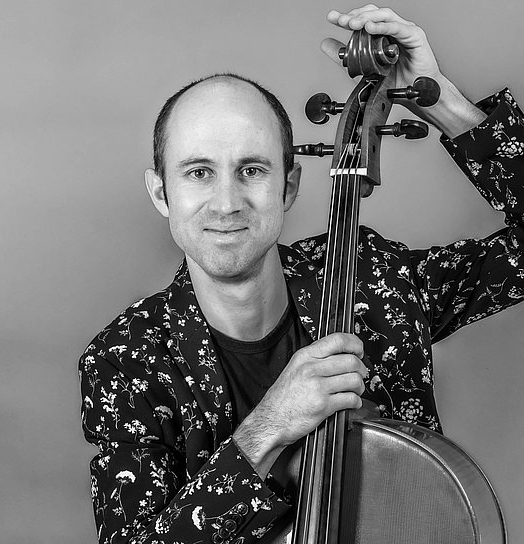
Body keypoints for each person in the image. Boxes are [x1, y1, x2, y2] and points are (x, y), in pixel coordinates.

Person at [79, 5, 524, 544]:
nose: (227, 203)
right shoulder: (127, 361)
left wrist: (444, 103)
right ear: (160, 193)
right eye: (199, 172)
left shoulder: (373, 282)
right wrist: (266, 427)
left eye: (252, 170)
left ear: (288, 186)